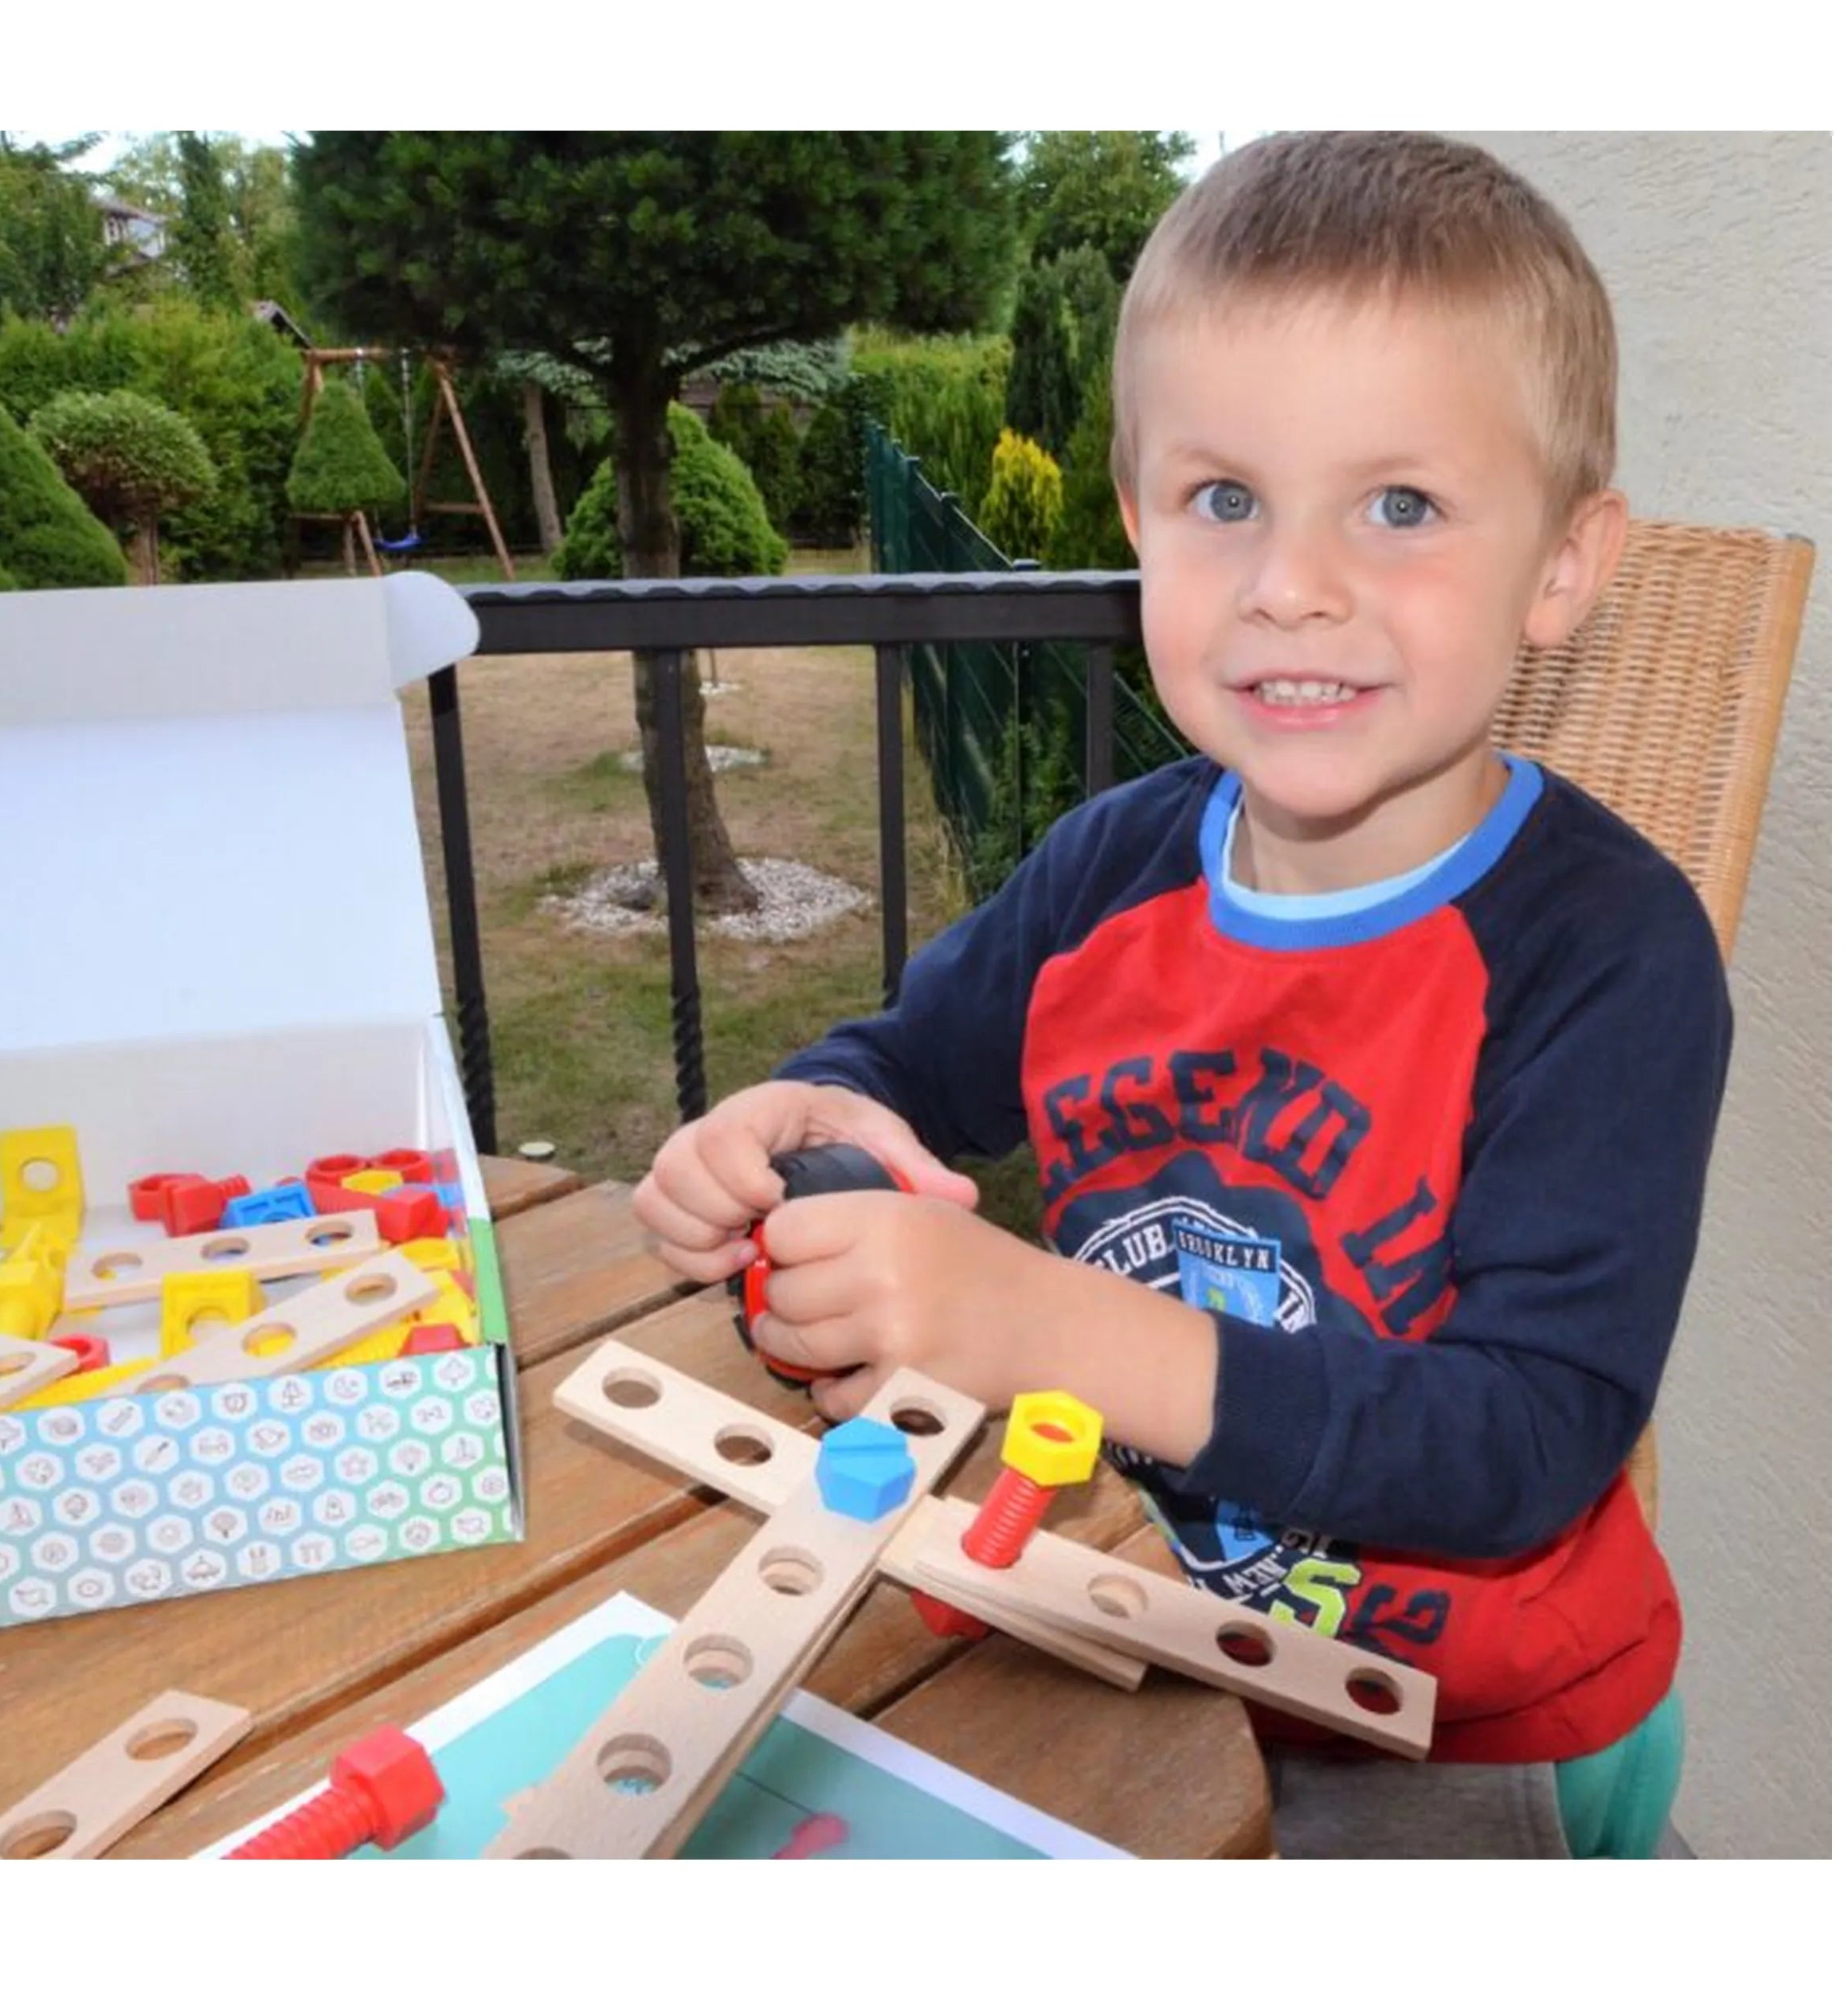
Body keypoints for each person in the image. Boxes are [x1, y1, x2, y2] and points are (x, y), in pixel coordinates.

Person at [632, 131, 1727, 1857]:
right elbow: (908, 1062)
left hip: (1464, 1739)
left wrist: (1043, 1324)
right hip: (1139, 1636)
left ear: (1561, 563)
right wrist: (809, 1113)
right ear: (1139, 518)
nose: (1291, 581)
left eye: (1399, 504)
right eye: (1224, 500)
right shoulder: (1107, 868)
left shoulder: (1602, 947)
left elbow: (1526, 1440)